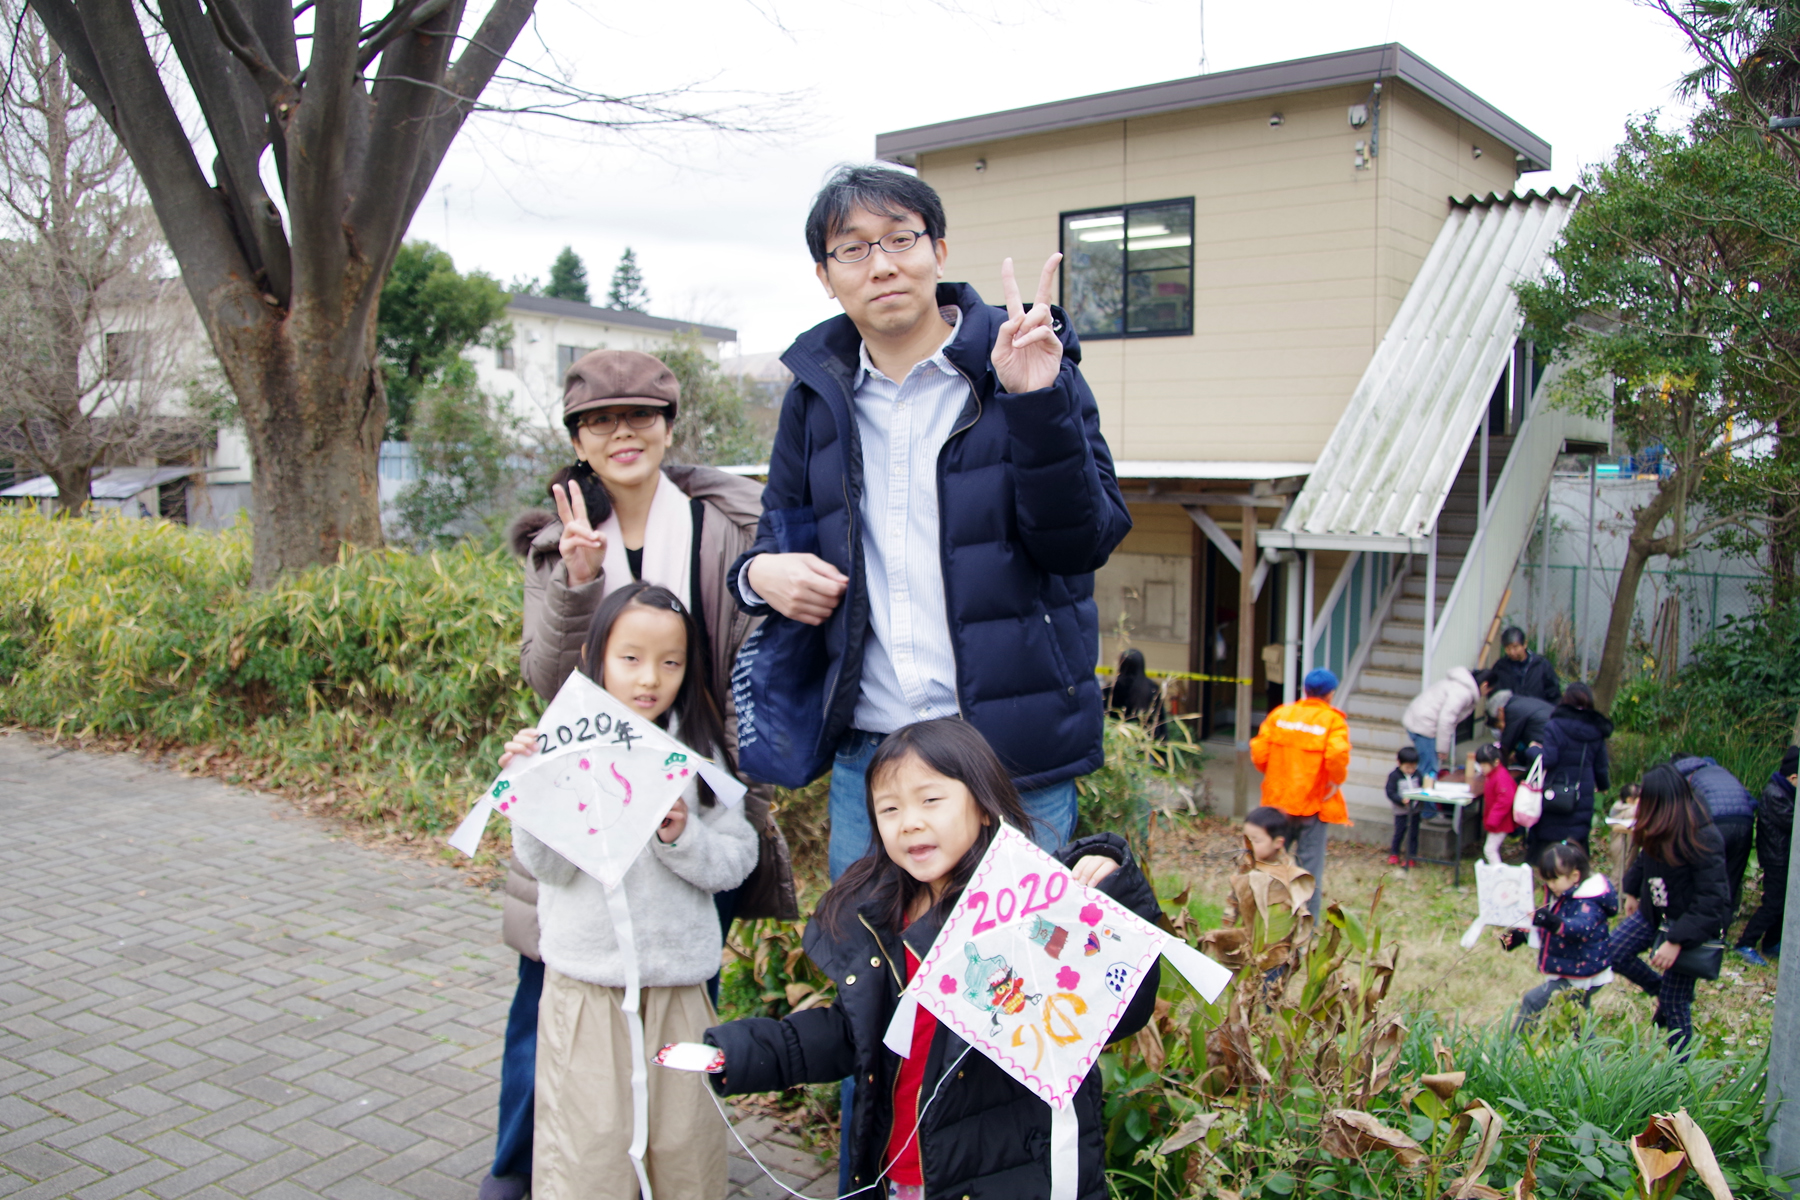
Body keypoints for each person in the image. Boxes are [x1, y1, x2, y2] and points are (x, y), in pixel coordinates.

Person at [729, 165, 1130, 882]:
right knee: (874, 976)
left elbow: (1084, 541)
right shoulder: (815, 399)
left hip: (1014, 753)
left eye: (900, 238)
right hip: (874, 760)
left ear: (938, 250)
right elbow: (770, 544)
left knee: (1015, 981)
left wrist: (1036, 405)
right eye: (852, 249)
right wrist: (760, 575)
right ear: (825, 275)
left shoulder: (1027, 361)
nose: (881, 264)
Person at [488, 352, 793, 1200]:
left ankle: (677, 1166)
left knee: (685, 987)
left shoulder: (729, 524)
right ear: (579, 439)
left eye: (642, 416)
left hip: (692, 788)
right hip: (583, 797)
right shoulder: (558, 539)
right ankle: (528, 1173)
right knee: (549, 1000)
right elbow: (546, 679)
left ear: (669, 425)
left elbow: (757, 659)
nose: (622, 433)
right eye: (599, 421)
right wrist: (579, 582)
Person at [702, 719, 1161, 1200]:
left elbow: (1119, 1005)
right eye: (890, 808)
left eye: (930, 801)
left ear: (984, 806)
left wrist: (1111, 888)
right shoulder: (883, 919)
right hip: (902, 1174)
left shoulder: (1025, 910)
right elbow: (853, 1035)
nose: (910, 821)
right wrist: (747, 1051)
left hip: (1013, 1176)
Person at [499, 582, 759, 1200]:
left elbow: (737, 858)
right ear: (593, 657)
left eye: (671, 662)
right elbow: (548, 870)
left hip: (677, 986)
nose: (651, 678)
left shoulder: (697, 757)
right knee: (587, 1148)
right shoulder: (560, 744)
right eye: (631, 658)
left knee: (684, 1144)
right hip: (585, 984)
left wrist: (681, 835)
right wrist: (529, 793)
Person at [1608, 764, 1731, 1050]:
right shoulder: (1656, 825)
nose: (1639, 803)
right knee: (1613, 951)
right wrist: (1632, 891)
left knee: (1676, 1005)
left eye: (1644, 796)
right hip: (1654, 913)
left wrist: (1676, 941)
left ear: (1661, 800)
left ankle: (1678, 1073)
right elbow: (1643, 860)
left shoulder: (1702, 836)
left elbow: (1713, 900)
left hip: (1687, 929)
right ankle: (1661, 991)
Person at [1250, 667, 1351, 918]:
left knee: (1268, 866)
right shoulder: (1332, 721)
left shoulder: (1281, 715)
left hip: (1277, 805)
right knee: (1308, 872)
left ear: (1305, 691)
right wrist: (1335, 781)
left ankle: (1262, 920)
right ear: (1330, 694)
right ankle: (1307, 926)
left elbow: (1259, 752)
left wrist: (1273, 773)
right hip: (1311, 806)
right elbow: (1337, 754)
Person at [1500, 841, 1616, 1030]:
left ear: (1575, 876)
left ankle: (1512, 1050)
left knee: (1532, 1001)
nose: (1550, 885)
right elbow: (1551, 929)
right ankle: (1596, 1057)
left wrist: (1550, 921)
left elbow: (1579, 928)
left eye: (1554, 879)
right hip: (1575, 970)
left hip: (1581, 974)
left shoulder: (1588, 901)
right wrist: (1522, 936)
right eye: (1547, 880)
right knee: (1578, 1023)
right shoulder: (1563, 895)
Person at [1528, 683, 1612, 861]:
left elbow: (1549, 759)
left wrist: (1533, 751)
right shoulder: (1596, 729)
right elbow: (1601, 765)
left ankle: (1549, 868)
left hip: (1556, 788)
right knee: (1577, 832)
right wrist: (1604, 786)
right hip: (1582, 790)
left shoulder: (1555, 725)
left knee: (1552, 831)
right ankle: (1576, 868)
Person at [1671, 753, 1758, 920]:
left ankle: (1698, 924)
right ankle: (1722, 931)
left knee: (1706, 876)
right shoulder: (1720, 771)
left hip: (1714, 824)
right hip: (1744, 821)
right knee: (1731, 879)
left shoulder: (1682, 778)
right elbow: (1752, 801)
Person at [1737, 745, 1798, 966]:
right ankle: (1745, 942)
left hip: (1784, 857)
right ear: (1793, 777)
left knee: (1784, 903)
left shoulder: (1787, 792)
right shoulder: (1776, 794)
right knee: (1773, 903)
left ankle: (1771, 943)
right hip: (1776, 858)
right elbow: (1792, 822)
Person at [1224, 806, 1316, 934]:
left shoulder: (1289, 874)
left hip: (1279, 940)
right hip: (1251, 936)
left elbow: (1300, 915)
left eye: (1255, 840)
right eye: (1245, 839)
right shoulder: (1246, 866)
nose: (1248, 845)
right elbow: (1233, 903)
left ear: (1278, 843)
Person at [1400, 665, 1482, 784]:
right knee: (1429, 771)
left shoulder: (1456, 684)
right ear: (1485, 685)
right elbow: (1446, 719)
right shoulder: (1462, 693)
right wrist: (1442, 749)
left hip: (1418, 721)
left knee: (1426, 767)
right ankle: (1424, 801)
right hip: (1424, 725)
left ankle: (1420, 798)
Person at [1488, 627, 1563, 704]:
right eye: (1508, 648)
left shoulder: (1541, 665)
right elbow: (1493, 696)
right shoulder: (1500, 667)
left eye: (1515, 647)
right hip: (1510, 713)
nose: (1512, 652)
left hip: (1536, 712)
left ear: (1525, 644)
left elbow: (1554, 694)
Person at [1471, 742, 1517, 865]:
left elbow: (1505, 799)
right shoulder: (1495, 774)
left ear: (1495, 762)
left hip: (1500, 821)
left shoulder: (1499, 777)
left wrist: (1493, 819)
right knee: (1491, 848)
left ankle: (1498, 874)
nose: (1482, 768)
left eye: (1484, 765)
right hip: (1499, 820)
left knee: (1489, 850)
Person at [1104, 647, 1167, 737]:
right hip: (1147, 741)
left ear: (1121, 664)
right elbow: (1161, 722)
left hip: (1117, 740)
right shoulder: (1153, 689)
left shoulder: (1110, 689)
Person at [1489, 688, 1555, 767]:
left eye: (1498, 720)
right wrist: (1517, 757)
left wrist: (1496, 764)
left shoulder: (1512, 710)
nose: (1501, 728)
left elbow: (1506, 744)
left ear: (1500, 710)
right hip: (1552, 739)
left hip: (1548, 745)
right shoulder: (1521, 702)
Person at [1385, 746, 1422, 867]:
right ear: (1399, 763)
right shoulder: (1394, 776)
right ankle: (1394, 853)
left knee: (1413, 834)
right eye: (1407, 767)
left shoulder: (1418, 775)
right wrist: (1400, 800)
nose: (1410, 770)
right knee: (1399, 832)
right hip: (1400, 811)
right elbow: (1390, 792)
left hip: (1414, 810)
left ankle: (1411, 856)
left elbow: (1422, 788)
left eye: (1413, 767)